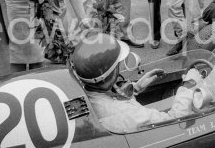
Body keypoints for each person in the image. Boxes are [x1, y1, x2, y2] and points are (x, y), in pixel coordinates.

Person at [74, 33, 202, 132]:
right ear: (111, 73)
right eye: (117, 65)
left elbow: (108, 97)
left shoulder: (86, 92)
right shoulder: (130, 114)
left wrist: (136, 87)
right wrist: (188, 85)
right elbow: (175, 120)